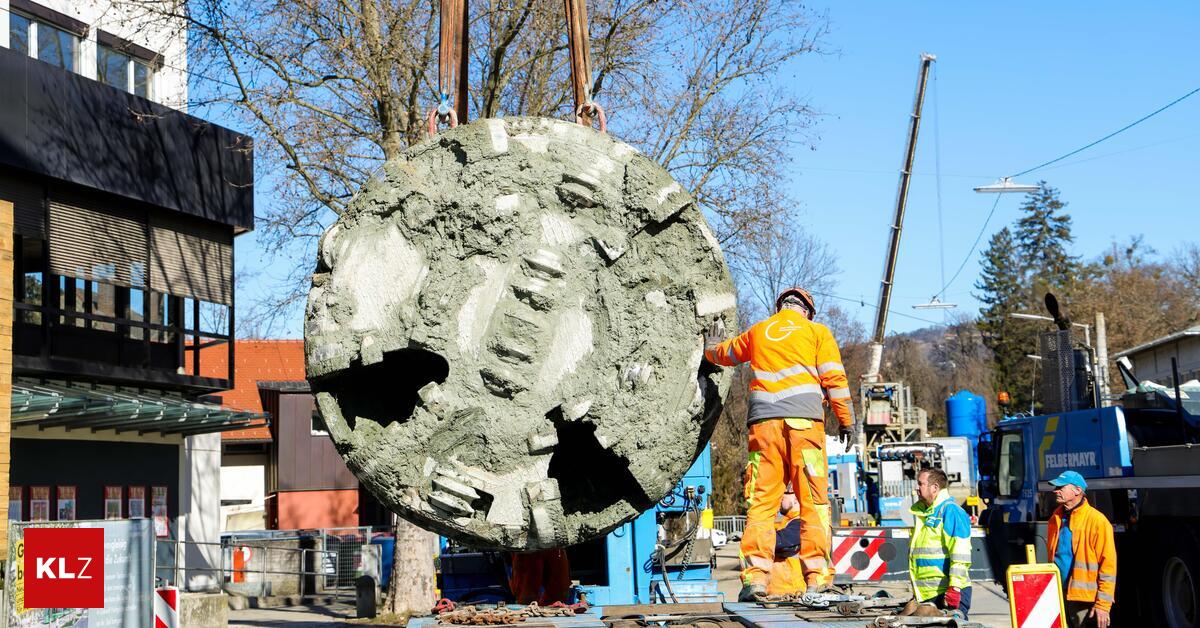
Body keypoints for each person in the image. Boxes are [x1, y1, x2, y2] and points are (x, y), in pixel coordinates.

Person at [703, 287, 855, 602]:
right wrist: (847, 420)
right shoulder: (816, 332)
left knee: (761, 504)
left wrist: (710, 347)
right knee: (813, 502)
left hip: (764, 429)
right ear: (808, 311)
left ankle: (755, 581)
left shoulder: (760, 331)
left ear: (780, 307)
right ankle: (816, 580)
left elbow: (725, 354)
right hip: (804, 429)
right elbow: (835, 380)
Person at [1046, 471, 1115, 628]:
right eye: (1055, 487)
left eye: (1061, 487)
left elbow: (1108, 567)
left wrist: (1103, 605)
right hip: (1058, 595)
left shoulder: (1097, 521)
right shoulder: (1055, 518)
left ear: (1077, 490)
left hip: (1084, 601)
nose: (1055, 490)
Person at [909, 467, 973, 619]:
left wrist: (955, 588)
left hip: (947, 593)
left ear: (935, 487)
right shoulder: (926, 513)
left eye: (921, 484)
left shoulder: (950, 511)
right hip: (929, 594)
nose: (917, 488)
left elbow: (961, 554)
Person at [768, 490, 805, 597]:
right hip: (781, 592)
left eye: (782, 497)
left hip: (791, 592)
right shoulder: (787, 521)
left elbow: (781, 542)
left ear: (796, 498)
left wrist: (755, 533)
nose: (778, 500)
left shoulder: (801, 522)